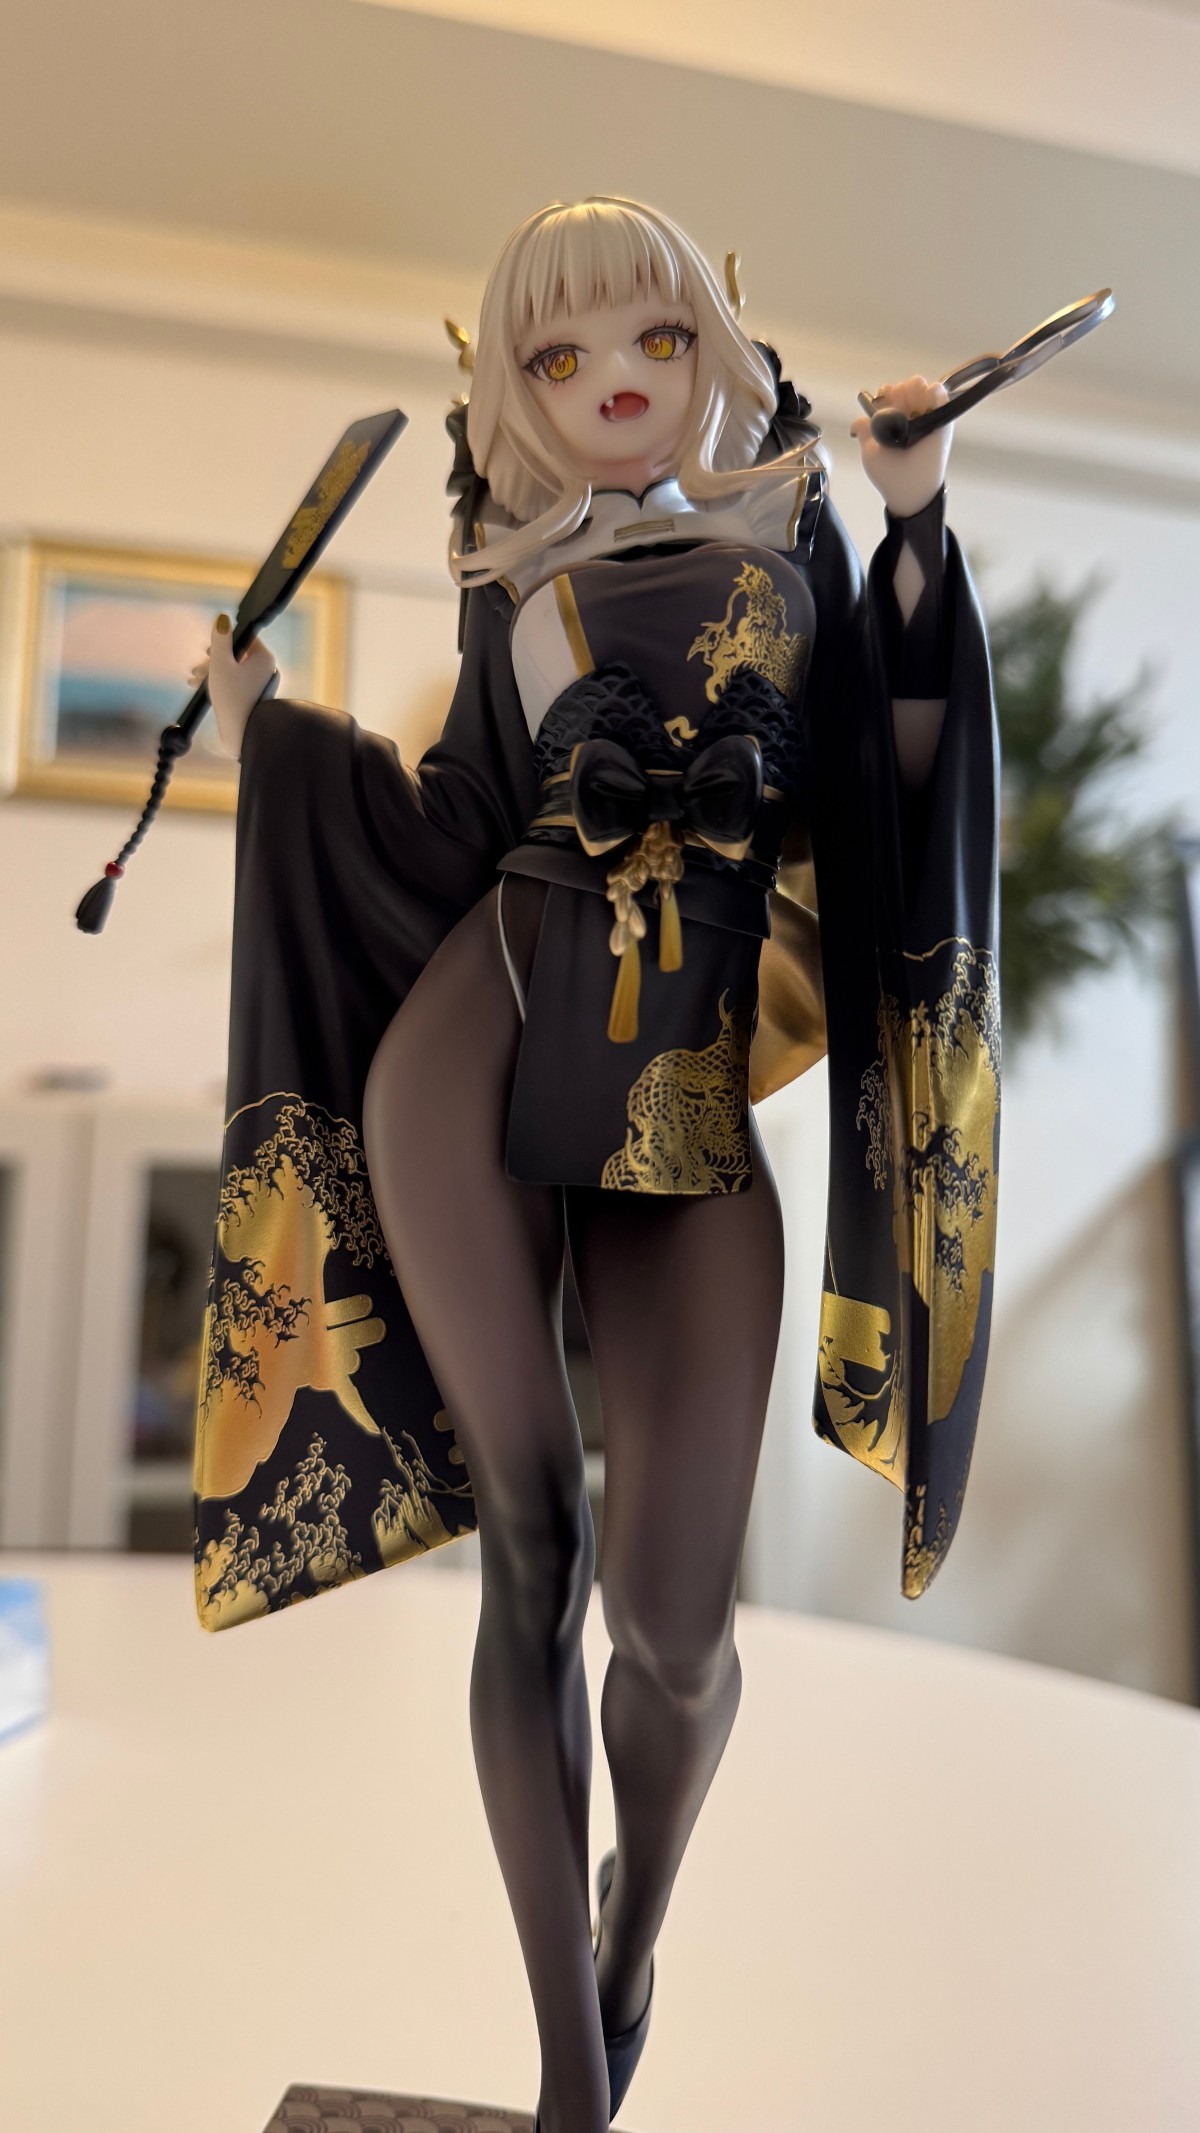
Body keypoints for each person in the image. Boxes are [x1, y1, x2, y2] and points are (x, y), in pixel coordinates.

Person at [191, 197, 1000, 2133]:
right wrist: (266, 733)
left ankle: (628, 1948)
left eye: (652, 336)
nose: (613, 382)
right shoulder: (514, 583)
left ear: (712, 339)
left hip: (684, 1091)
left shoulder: (797, 545)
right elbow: (452, 821)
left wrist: (914, 523)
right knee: (533, 1548)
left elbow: (896, 785)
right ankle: (571, 2077)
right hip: (479, 1046)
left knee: (679, 1631)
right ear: (515, 389)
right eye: (557, 357)